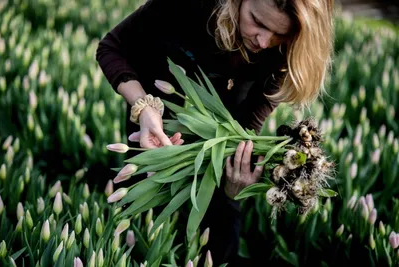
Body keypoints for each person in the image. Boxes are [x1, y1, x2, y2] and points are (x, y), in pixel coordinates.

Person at [96, 0, 335, 265]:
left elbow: (247, 125)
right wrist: (144, 108)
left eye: (280, 33)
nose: (265, 41)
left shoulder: (285, 48)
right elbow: (111, 47)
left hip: (227, 104)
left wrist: (235, 185)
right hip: (157, 98)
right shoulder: (189, 4)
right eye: (257, 21)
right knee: (146, 195)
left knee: (226, 203)